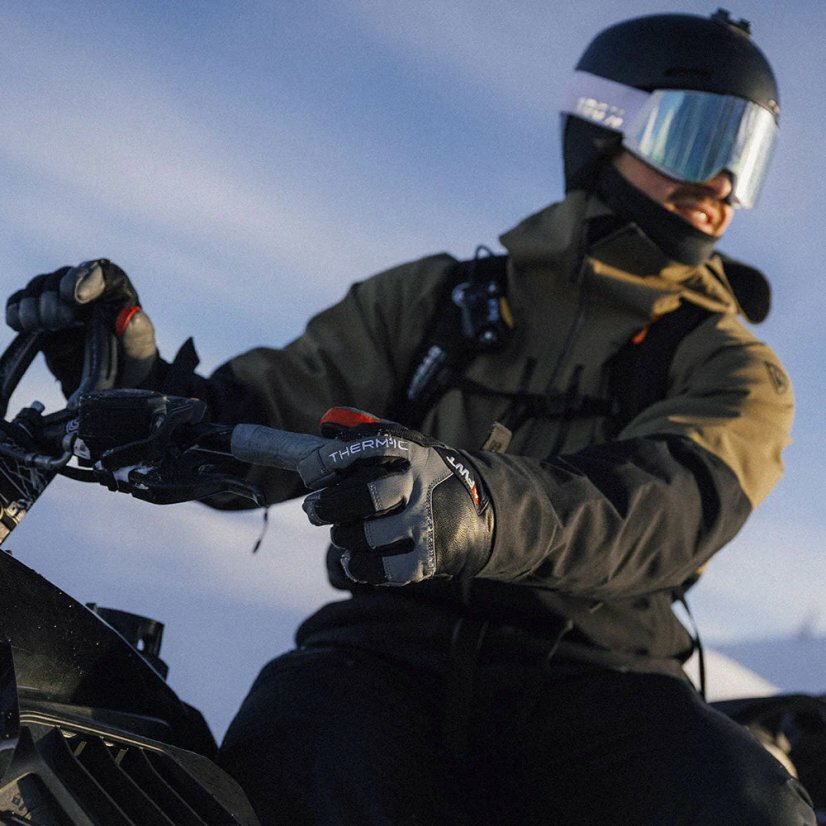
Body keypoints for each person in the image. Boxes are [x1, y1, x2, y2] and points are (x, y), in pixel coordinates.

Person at [6, 9, 817, 824]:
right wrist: (137, 387)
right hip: (385, 656)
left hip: (601, 676)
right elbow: (254, 427)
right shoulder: (432, 303)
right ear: (605, 125)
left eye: (744, 156)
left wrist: (480, 505)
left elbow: (660, 510)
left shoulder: (732, 365)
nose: (722, 184)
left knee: (743, 807)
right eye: (697, 138)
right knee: (288, 766)